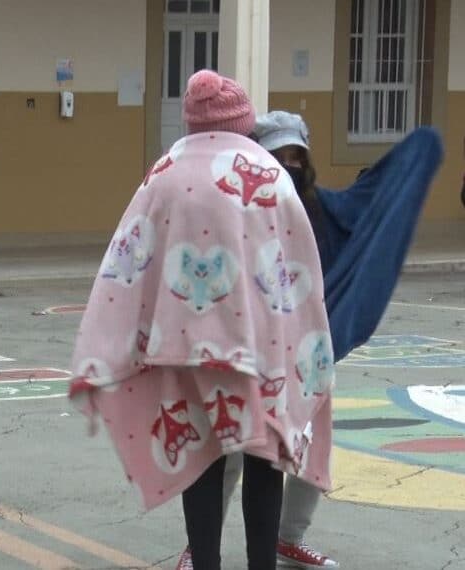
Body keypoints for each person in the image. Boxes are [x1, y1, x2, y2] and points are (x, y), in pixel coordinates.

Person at [69, 70, 334, 570]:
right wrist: (308, 341)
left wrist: (109, 339)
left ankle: (206, 562)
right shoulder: (267, 174)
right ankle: (262, 563)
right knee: (263, 459)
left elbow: (128, 257)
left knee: (203, 458)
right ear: (241, 122)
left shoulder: (164, 171)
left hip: (182, 345)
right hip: (260, 347)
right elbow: (299, 267)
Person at [172, 110, 443, 570]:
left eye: (298, 156)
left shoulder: (319, 208)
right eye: (280, 156)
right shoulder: (236, 209)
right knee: (231, 448)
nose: (290, 166)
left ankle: (287, 540)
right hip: (245, 349)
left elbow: (366, 216)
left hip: (304, 352)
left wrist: (408, 169)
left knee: (308, 445)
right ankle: (200, 548)